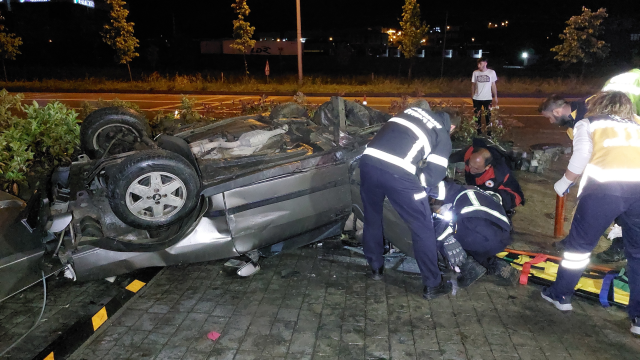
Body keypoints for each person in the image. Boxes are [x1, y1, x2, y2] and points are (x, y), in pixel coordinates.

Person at [541, 91, 640, 335]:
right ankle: (638, 318)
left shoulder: (588, 123)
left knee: (579, 247)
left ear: (598, 105)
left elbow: (582, 155)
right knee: (637, 254)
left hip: (603, 190)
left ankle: (560, 294)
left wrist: (564, 183)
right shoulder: (638, 122)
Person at [360, 105, 462, 300]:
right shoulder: (442, 134)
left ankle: (375, 268)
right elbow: (432, 177)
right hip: (398, 174)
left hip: (368, 163)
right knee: (422, 227)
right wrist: (418, 189)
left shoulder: (411, 111)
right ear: (452, 128)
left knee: (372, 218)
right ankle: (432, 284)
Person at [433, 181, 519, 287]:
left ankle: (468, 268)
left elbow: (445, 224)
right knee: (470, 239)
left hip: (478, 232)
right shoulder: (473, 190)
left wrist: (446, 240)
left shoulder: (449, 197)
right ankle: (492, 264)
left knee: (436, 233)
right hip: (504, 236)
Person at [450, 138, 524, 214]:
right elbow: (449, 158)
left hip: (506, 195)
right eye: (470, 164)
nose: (471, 169)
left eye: (476, 168)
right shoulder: (469, 153)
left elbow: (481, 195)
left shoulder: (496, 175)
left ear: (487, 167)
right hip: (479, 186)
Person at [471, 57, 498, 135]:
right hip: (477, 98)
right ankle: (478, 131)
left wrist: (495, 96)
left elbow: (493, 85)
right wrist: (472, 95)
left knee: (488, 116)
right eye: (478, 64)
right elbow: (473, 85)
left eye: (480, 63)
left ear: (485, 63)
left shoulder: (491, 72)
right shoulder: (475, 73)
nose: (479, 66)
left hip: (487, 98)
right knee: (477, 116)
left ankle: (489, 132)